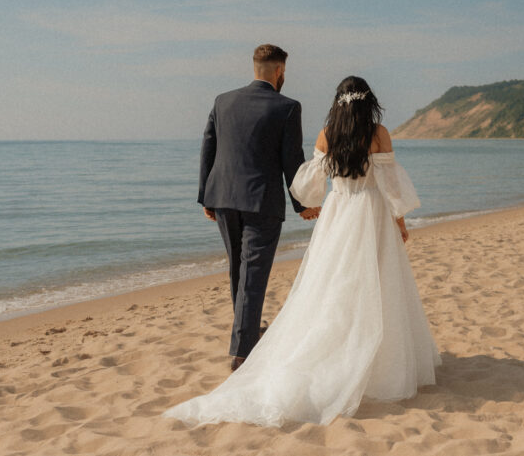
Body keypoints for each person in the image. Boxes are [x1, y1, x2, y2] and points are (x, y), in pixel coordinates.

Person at [165, 76, 440, 427]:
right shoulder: (378, 134)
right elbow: (389, 186)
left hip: (339, 214)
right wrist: (400, 222)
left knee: (332, 287)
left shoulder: (328, 134)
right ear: (367, 101)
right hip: (371, 215)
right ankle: (378, 363)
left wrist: (310, 203)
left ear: (338, 102)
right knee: (379, 284)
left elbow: (309, 187)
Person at [197, 44, 319, 372]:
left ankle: (247, 333)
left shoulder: (223, 101)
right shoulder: (288, 107)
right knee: (252, 273)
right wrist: (303, 204)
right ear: (279, 71)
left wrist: (206, 196)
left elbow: (209, 147)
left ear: (255, 68)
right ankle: (241, 353)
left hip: (223, 197)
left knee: (239, 268)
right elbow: (291, 161)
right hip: (262, 201)